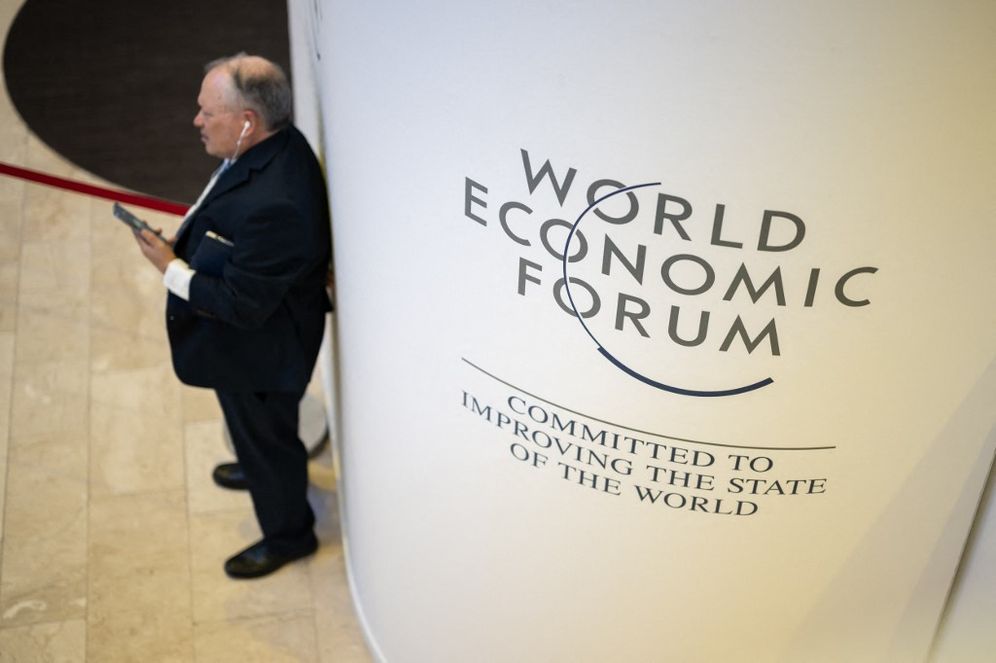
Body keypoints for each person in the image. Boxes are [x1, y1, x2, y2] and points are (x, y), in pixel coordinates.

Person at [133, 53, 331, 579]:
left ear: (247, 121)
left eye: (206, 112)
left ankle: (289, 536)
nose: (196, 121)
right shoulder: (272, 145)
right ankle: (254, 462)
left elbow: (243, 306)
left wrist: (170, 268)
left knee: (268, 437)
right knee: (253, 431)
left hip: (261, 354)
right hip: (251, 347)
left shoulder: (278, 203)